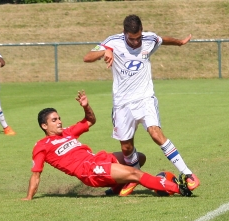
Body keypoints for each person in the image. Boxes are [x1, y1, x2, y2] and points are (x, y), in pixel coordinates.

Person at [83, 14, 199, 196]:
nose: (136, 42)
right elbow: (87, 57)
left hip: (145, 98)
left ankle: (188, 173)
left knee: (155, 133)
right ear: (124, 33)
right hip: (122, 104)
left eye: (138, 38)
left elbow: (163, 39)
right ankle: (135, 175)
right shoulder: (112, 41)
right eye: (131, 39)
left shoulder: (149, 39)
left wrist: (180, 42)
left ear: (142, 32)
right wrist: (105, 51)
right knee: (126, 148)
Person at [21, 90, 192, 200]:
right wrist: (29, 197)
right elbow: (36, 175)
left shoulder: (67, 132)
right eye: (54, 120)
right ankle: (178, 188)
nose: (59, 122)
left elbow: (90, 121)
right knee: (136, 173)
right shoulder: (41, 146)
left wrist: (86, 107)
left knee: (138, 158)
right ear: (44, 126)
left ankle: (119, 186)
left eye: (59, 118)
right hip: (89, 172)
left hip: (97, 159)